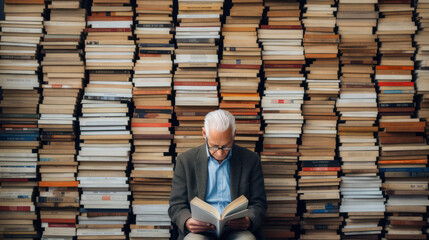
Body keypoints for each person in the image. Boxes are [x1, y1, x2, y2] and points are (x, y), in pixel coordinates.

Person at [168, 109, 267, 240]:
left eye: (226, 146)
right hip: (200, 231)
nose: (220, 153)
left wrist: (249, 220)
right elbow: (176, 205)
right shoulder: (186, 161)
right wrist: (187, 221)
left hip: (237, 230)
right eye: (214, 146)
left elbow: (259, 203)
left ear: (234, 135)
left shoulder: (251, 160)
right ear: (204, 134)